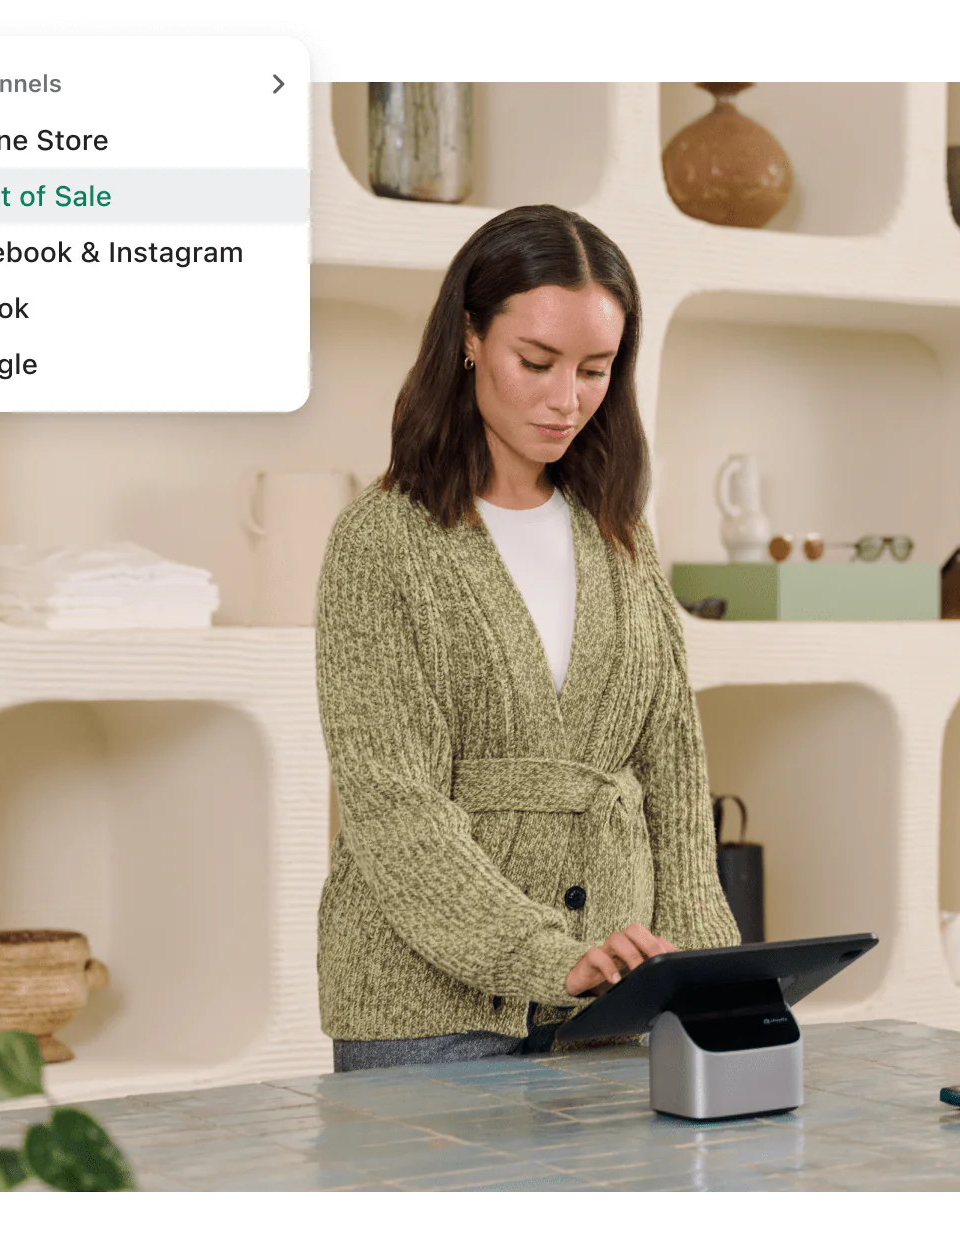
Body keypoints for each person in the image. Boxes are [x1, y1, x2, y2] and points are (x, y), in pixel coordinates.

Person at [314, 204, 739, 1073]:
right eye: (536, 362)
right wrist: (548, 955)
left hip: (614, 1005)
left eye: (595, 369)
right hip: (427, 1011)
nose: (566, 398)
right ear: (468, 338)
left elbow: (672, 769)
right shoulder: (380, 543)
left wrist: (705, 971)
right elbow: (394, 806)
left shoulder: (622, 535)